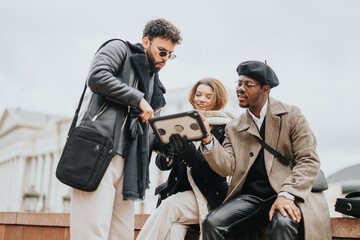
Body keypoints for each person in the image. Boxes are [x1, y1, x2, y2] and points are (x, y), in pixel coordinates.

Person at [70, 19, 182, 240]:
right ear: (145, 41)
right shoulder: (119, 48)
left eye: (170, 54)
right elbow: (97, 76)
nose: (165, 59)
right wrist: (138, 99)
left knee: (120, 234)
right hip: (99, 152)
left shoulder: (156, 86)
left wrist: (169, 145)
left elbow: (149, 130)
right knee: (91, 232)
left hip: (131, 164)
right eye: (162, 51)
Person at [199, 61, 332, 240]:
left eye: (248, 84)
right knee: (211, 222)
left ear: (265, 88)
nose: (240, 89)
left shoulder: (292, 115)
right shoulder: (234, 126)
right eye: (239, 83)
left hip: (286, 191)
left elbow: (309, 160)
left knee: (283, 223)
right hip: (250, 198)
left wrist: (287, 194)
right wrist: (208, 138)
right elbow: (226, 167)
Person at [137, 78, 233, 240]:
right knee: (174, 228)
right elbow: (161, 164)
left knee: (170, 206)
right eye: (198, 94)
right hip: (181, 192)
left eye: (208, 96)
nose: (201, 99)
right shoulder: (182, 122)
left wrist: (186, 151)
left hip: (209, 196)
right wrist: (170, 152)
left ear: (218, 99)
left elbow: (215, 172)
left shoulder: (226, 129)